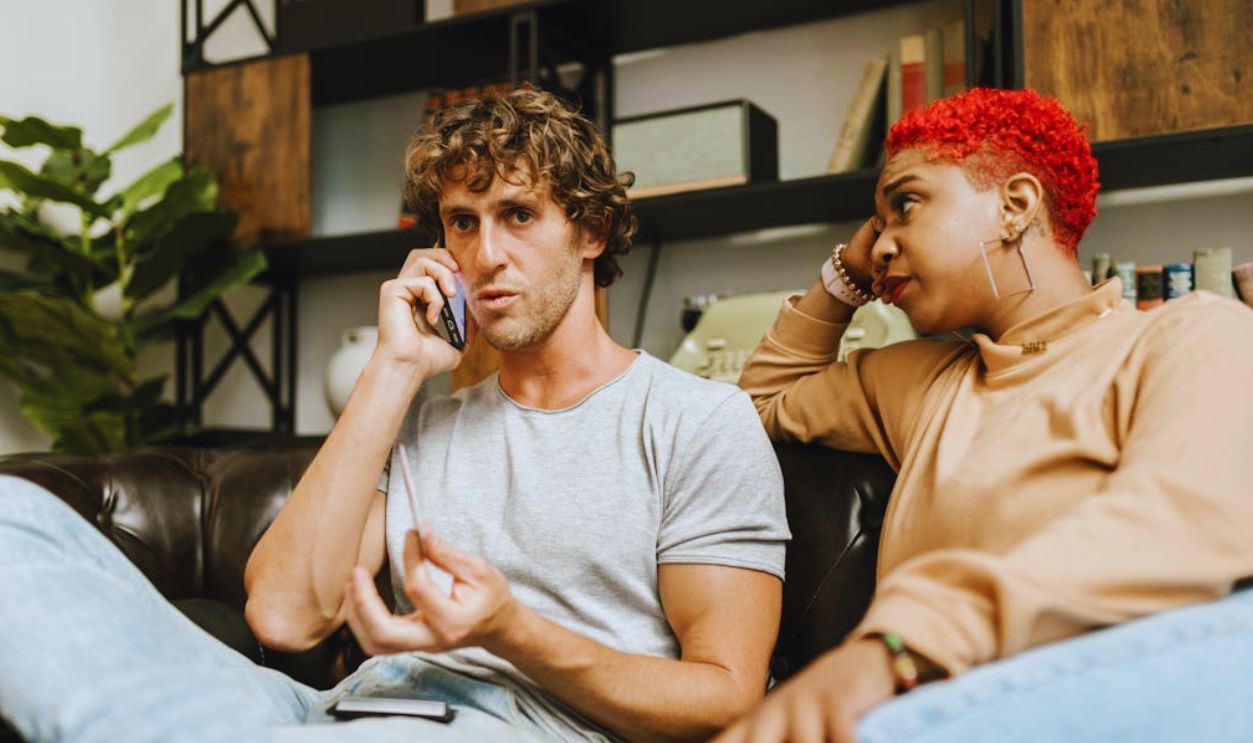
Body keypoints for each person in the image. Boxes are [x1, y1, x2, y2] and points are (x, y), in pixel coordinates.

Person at [0, 88, 790, 743]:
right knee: (11, 517)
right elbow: (280, 615)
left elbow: (726, 696)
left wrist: (509, 628)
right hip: (325, 713)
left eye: (518, 215)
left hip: (515, 727)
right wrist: (395, 366)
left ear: (591, 231)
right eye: (461, 221)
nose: (485, 255)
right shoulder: (422, 423)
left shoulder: (696, 419)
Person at [717, 87, 1253, 743]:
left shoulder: (1189, 337)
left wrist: (899, 643)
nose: (881, 243)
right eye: (875, 227)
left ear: (1015, 205)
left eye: (905, 205)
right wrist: (841, 282)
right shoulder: (918, 380)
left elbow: (1183, 523)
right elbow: (753, 410)